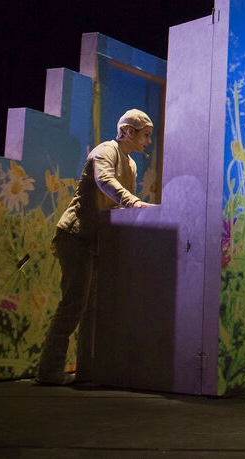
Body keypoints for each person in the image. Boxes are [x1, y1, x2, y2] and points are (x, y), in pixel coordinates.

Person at [35, 109, 155, 385]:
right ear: (129, 132)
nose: (148, 141)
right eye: (146, 135)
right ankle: (48, 370)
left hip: (96, 241)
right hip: (76, 235)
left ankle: (88, 370)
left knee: (93, 307)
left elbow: (116, 203)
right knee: (74, 304)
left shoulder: (131, 164)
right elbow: (105, 182)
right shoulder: (105, 151)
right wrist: (134, 202)